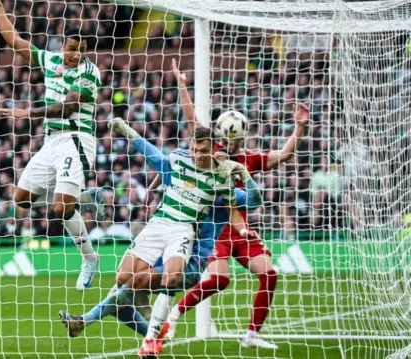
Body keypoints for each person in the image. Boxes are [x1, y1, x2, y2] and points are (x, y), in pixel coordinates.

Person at [58, 118, 263, 351]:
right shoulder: (181, 169)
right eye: (195, 150)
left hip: (193, 258)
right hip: (162, 239)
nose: (198, 155)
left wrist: (243, 174)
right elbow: (155, 156)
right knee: (121, 287)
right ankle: (152, 330)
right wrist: (128, 132)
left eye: (204, 151)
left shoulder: (221, 186)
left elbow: (253, 202)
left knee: (135, 287)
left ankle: (146, 336)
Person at [160, 60, 310, 349]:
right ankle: (175, 314)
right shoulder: (210, 154)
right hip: (213, 230)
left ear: (241, 136)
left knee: (269, 273)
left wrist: (300, 127)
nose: (229, 144)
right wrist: (181, 85)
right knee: (220, 280)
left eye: (234, 139)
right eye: (225, 138)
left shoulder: (249, 159)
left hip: (242, 230)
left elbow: (285, 155)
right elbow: (192, 121)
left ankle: (253, 335)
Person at [0, 0, 105, 291]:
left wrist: (26, 112)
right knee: (22, 200)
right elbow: (15, 41)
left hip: (77, 140)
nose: (74, 55)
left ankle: (90, 258)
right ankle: (81, 194)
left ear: (86, 51)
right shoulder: (51, 60)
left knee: (60, 207)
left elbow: (66, 109)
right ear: (62, 46)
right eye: (70, 48)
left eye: (80, 50)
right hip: (51, 142)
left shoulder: (89, 74)